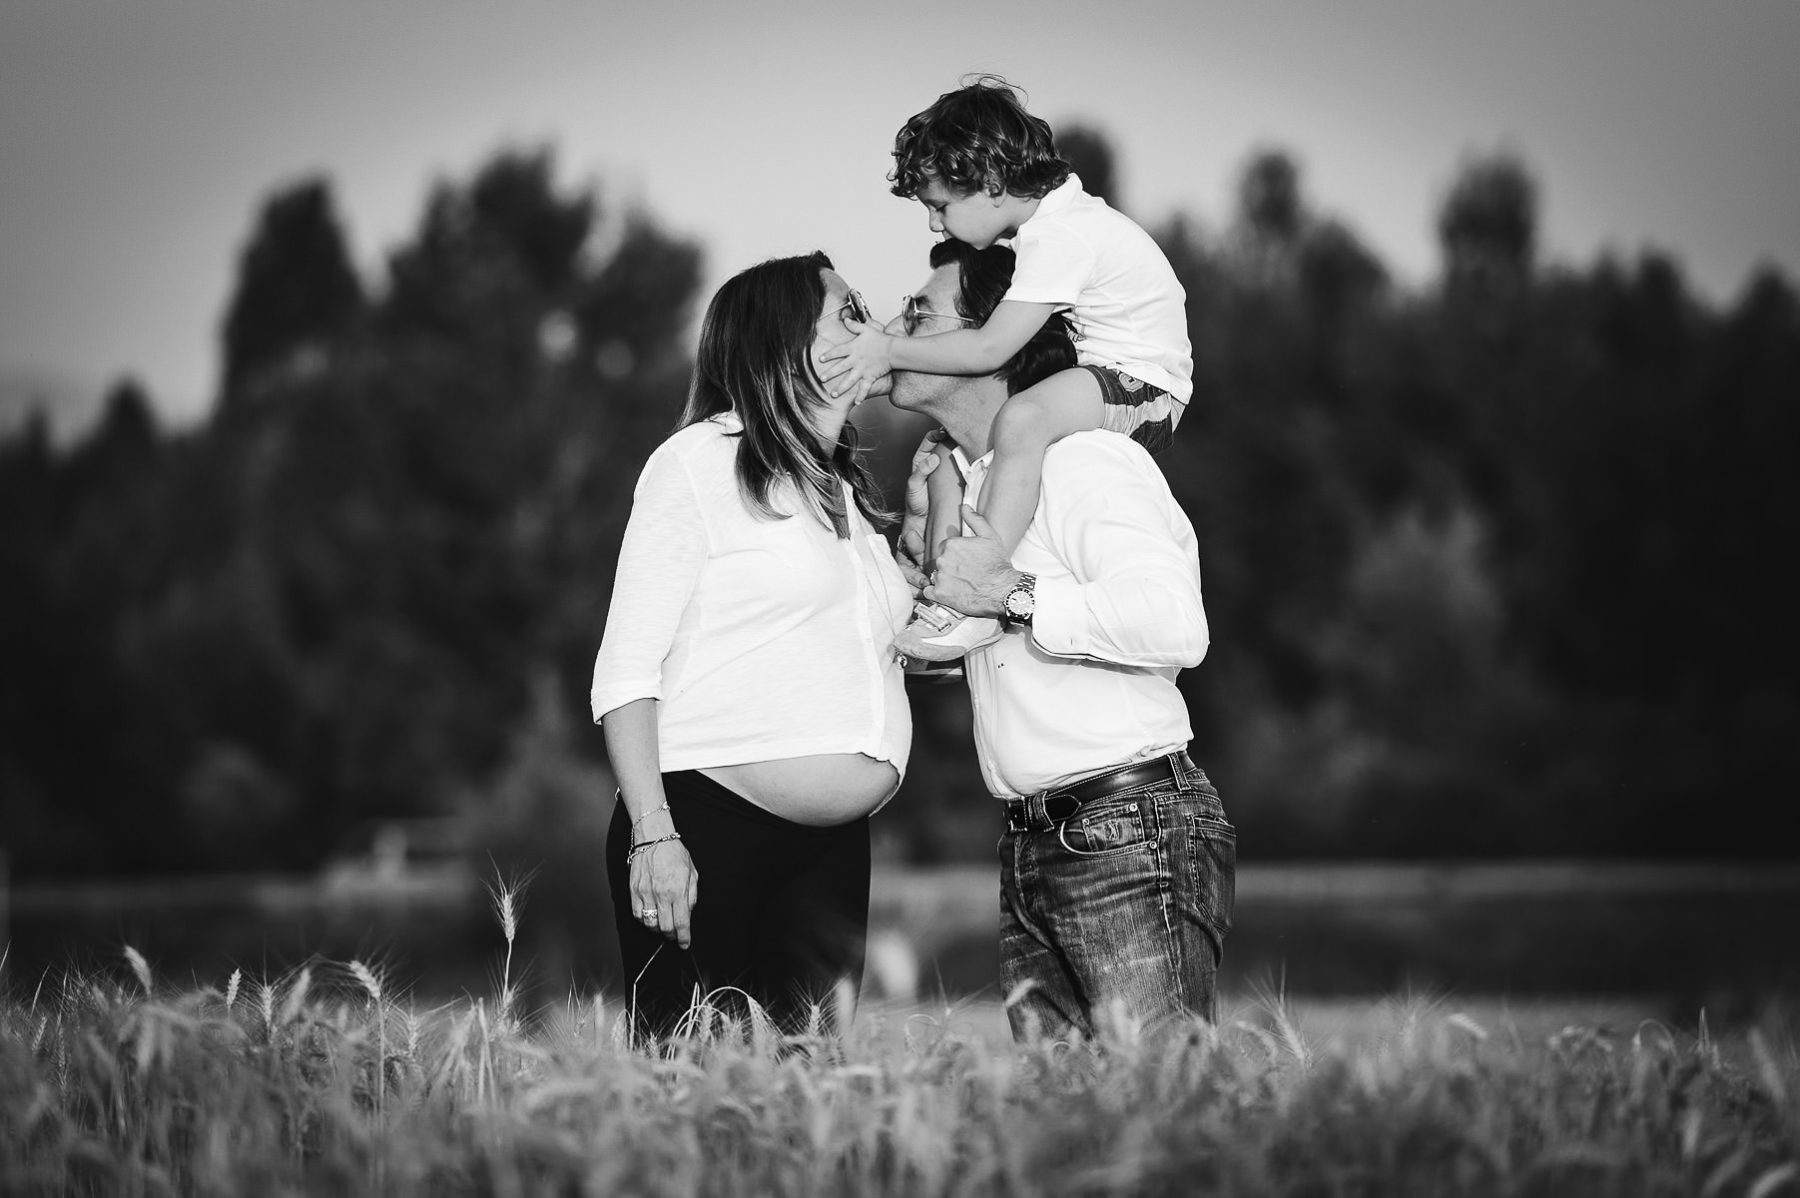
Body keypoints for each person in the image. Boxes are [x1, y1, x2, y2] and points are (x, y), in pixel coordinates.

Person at [886, 237, 1233, 1042]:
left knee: (1160, 1123)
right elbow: (952, 645)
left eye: (922, 314)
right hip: (1034, 846)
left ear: (995, 343)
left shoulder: (1086, 463)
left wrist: (1013, 594)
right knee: (1069, 1142)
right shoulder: (971, 489)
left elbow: (1177, 623)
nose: (899, 329)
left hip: (1128, 830)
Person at [589, 252, 914, 1039]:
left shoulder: (848, 495)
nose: (872, 327)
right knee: (690, 1084)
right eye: (847, 310)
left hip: (832, 850)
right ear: (784, 342)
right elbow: (625, 669)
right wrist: (654, 834)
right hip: (706, 825)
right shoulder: (698, 463)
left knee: (811, 1104)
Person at [823, 74, 1194, 665]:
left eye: (939, 205)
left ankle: (977, 591)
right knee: (948, 459)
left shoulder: (1062, 238)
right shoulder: (1049, 231)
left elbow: (986, 349)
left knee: (1022, 418)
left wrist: (886, 352)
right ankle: (945, 597)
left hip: (1144, 385)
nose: (933, 224)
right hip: (1114, 373)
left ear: (990, 181)